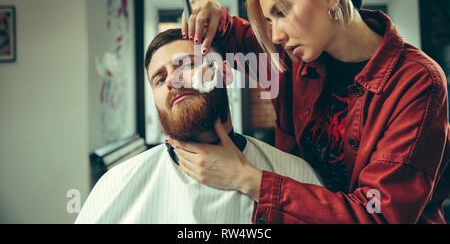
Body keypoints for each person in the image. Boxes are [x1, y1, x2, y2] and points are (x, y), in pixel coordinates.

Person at [169, 0, 450, 223]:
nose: (274, 35)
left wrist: (248, 180)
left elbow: (377, 214)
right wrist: (212, 14)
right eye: (267, 19)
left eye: (281, 12)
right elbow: (235, 36)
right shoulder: (295, 55)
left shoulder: (417, 83)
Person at [74, 28, 322, 224]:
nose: (172, 80)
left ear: (224, 73)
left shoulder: (296, 175)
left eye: (187, 65)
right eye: (159, 79)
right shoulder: (115, 186)